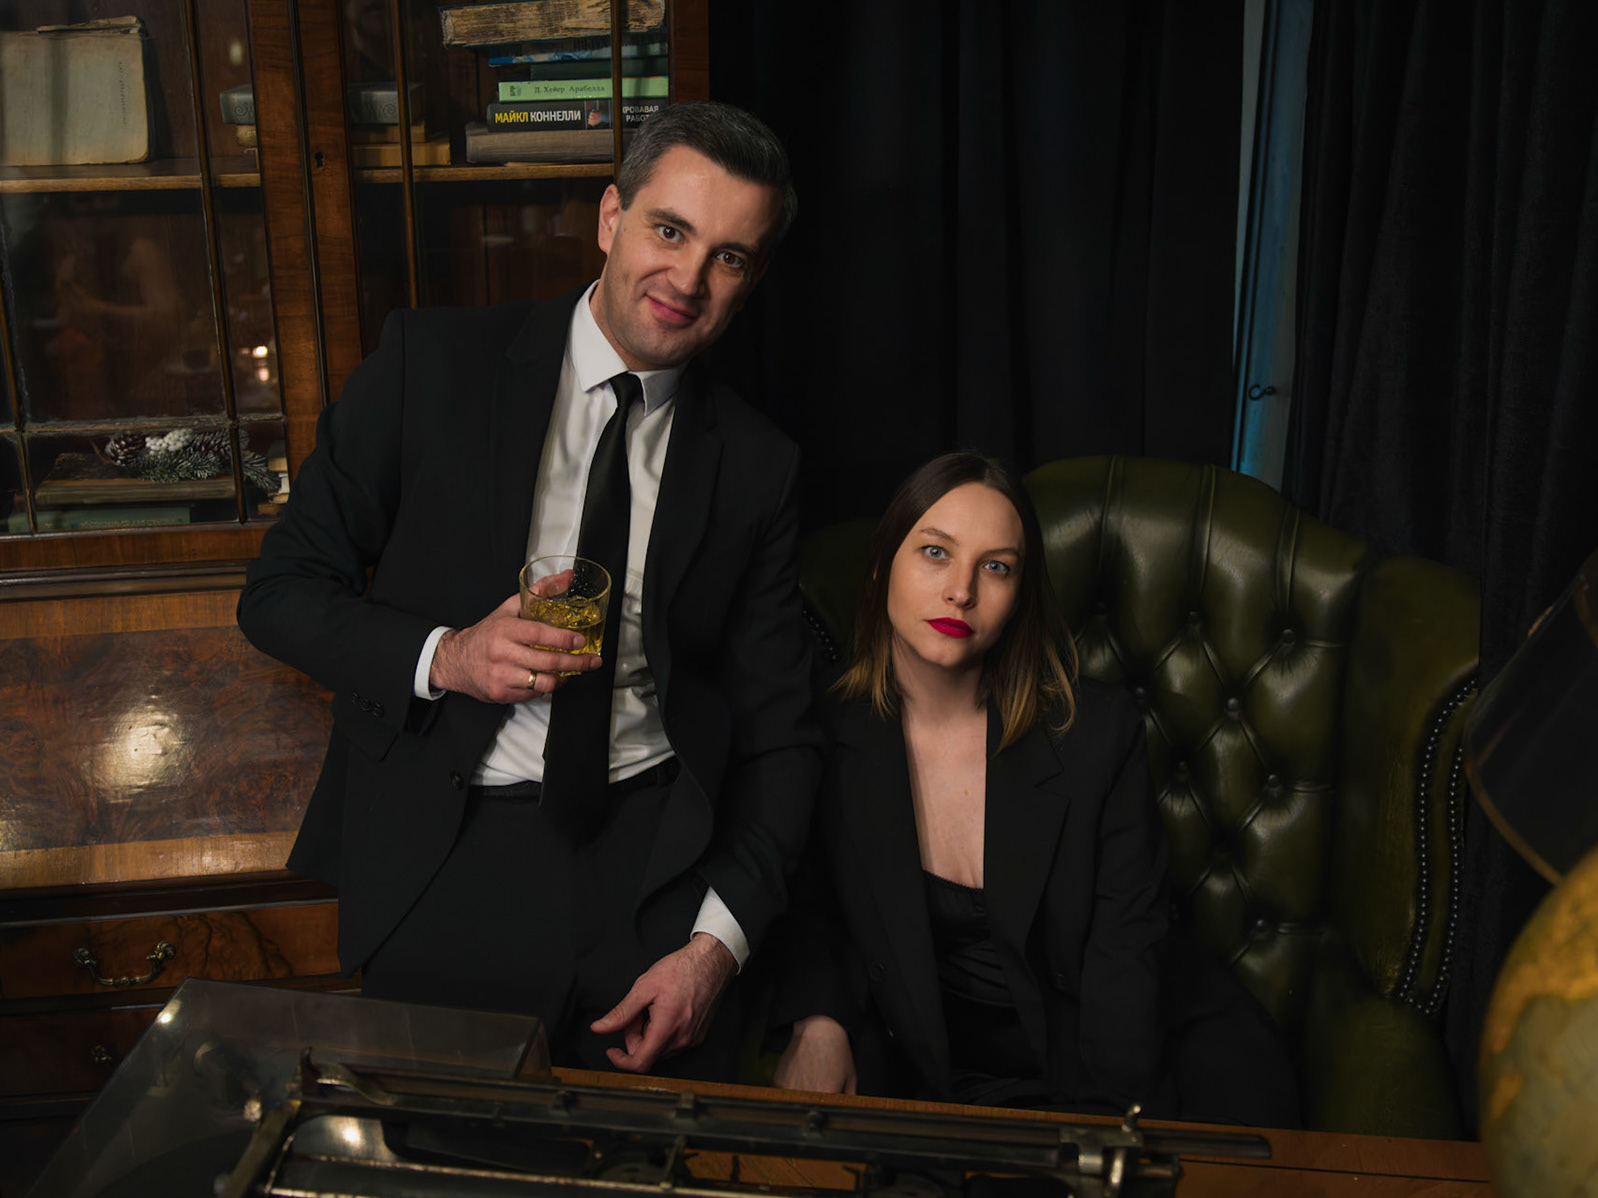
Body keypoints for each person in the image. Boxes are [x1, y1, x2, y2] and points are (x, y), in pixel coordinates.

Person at [237, 101, 821, 1082]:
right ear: (610, 217)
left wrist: (715, 947)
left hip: (657, 871)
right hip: (448, 850)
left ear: (752, 279)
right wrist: (449, 657)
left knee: (651, 1160)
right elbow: (279, 592)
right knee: (441, 1152)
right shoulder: (432, 367)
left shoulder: (759, 466)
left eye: (728, 257)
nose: (687, 280)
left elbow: (781, 736)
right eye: (668, 230)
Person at [770, 453, 1300, 1124]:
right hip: (949, 1077)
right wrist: (818, 1019)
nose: (961, 591)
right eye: (935, 553)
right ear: (881, 566)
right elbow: (810, 900)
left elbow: (1127, 953)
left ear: (1019, 595)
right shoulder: (821, 730)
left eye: (996, 567)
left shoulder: (1095, 734)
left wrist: (1102, 1136)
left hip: (1138, 1063)